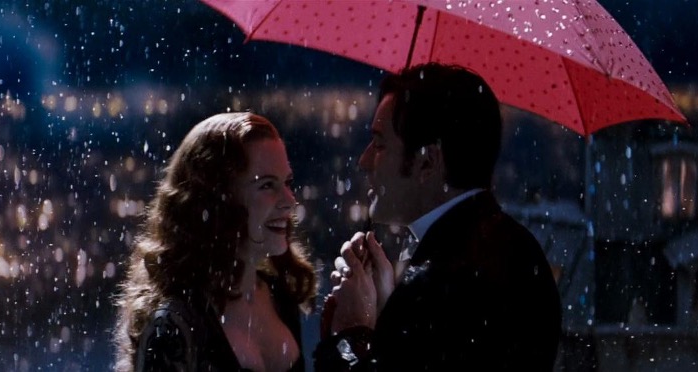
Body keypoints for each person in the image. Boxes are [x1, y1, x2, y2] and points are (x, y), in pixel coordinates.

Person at [314, 63, 562, 371]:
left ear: (427, 162)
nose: (365, 161)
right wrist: (390, 310)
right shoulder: (518, 249)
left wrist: (351, 334)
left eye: (379, 144)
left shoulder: (446, 280)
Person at [113, 112, 317, 372]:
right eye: (267, 185)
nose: (289, 200)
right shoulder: (176, 326)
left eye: (288, 182)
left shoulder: (281, 298)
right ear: (218, 199)